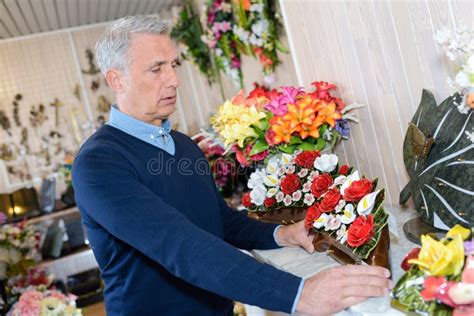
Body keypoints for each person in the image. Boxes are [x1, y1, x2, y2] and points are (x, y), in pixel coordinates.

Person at [72, 15, 392, 316]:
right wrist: (298, 294)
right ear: (116, 79)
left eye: (173, 65)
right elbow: (177, 243)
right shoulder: (99, 164)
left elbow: (218, 220)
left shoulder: (182, 145)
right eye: (156, 69)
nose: (174, 80)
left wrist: (281, 234)